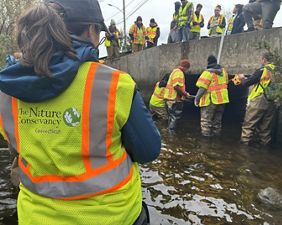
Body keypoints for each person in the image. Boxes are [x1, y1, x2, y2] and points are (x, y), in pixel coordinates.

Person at [0, 1, 161, 225]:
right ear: (90, 30)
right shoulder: (115, 84)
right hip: (114, 217)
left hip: (35, 218)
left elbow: (16, 147)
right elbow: (148, 151)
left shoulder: (6, 90)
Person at [240, 52, 276, 146]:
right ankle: (265, 148)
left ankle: (244, 147)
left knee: (248, 125)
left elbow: (246, 83)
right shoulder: (278, 70)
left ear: (264, 59)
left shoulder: (262, 69)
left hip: (259, 99)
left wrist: (242, 78)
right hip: (272, 101)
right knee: (265, 128)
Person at [194, 55, 229, 137]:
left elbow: (202, 88)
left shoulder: (207, 73)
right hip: (222, 100)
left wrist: (197, 99)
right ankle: (216, 140)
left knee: (206, 122)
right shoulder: (224, 71)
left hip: (210, 100)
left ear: (208, 62)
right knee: (217, 122)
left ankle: (205, 142)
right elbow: (226, 83)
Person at [164, 59, 190, 131]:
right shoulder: (179, 73)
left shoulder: (174, 71)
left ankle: (169, 134)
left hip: (170, 99)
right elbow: (176, 87)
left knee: (171, 117)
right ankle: (171, 134)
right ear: (186, 67)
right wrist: (185, 94)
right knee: (174, 117)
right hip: (174, 99)